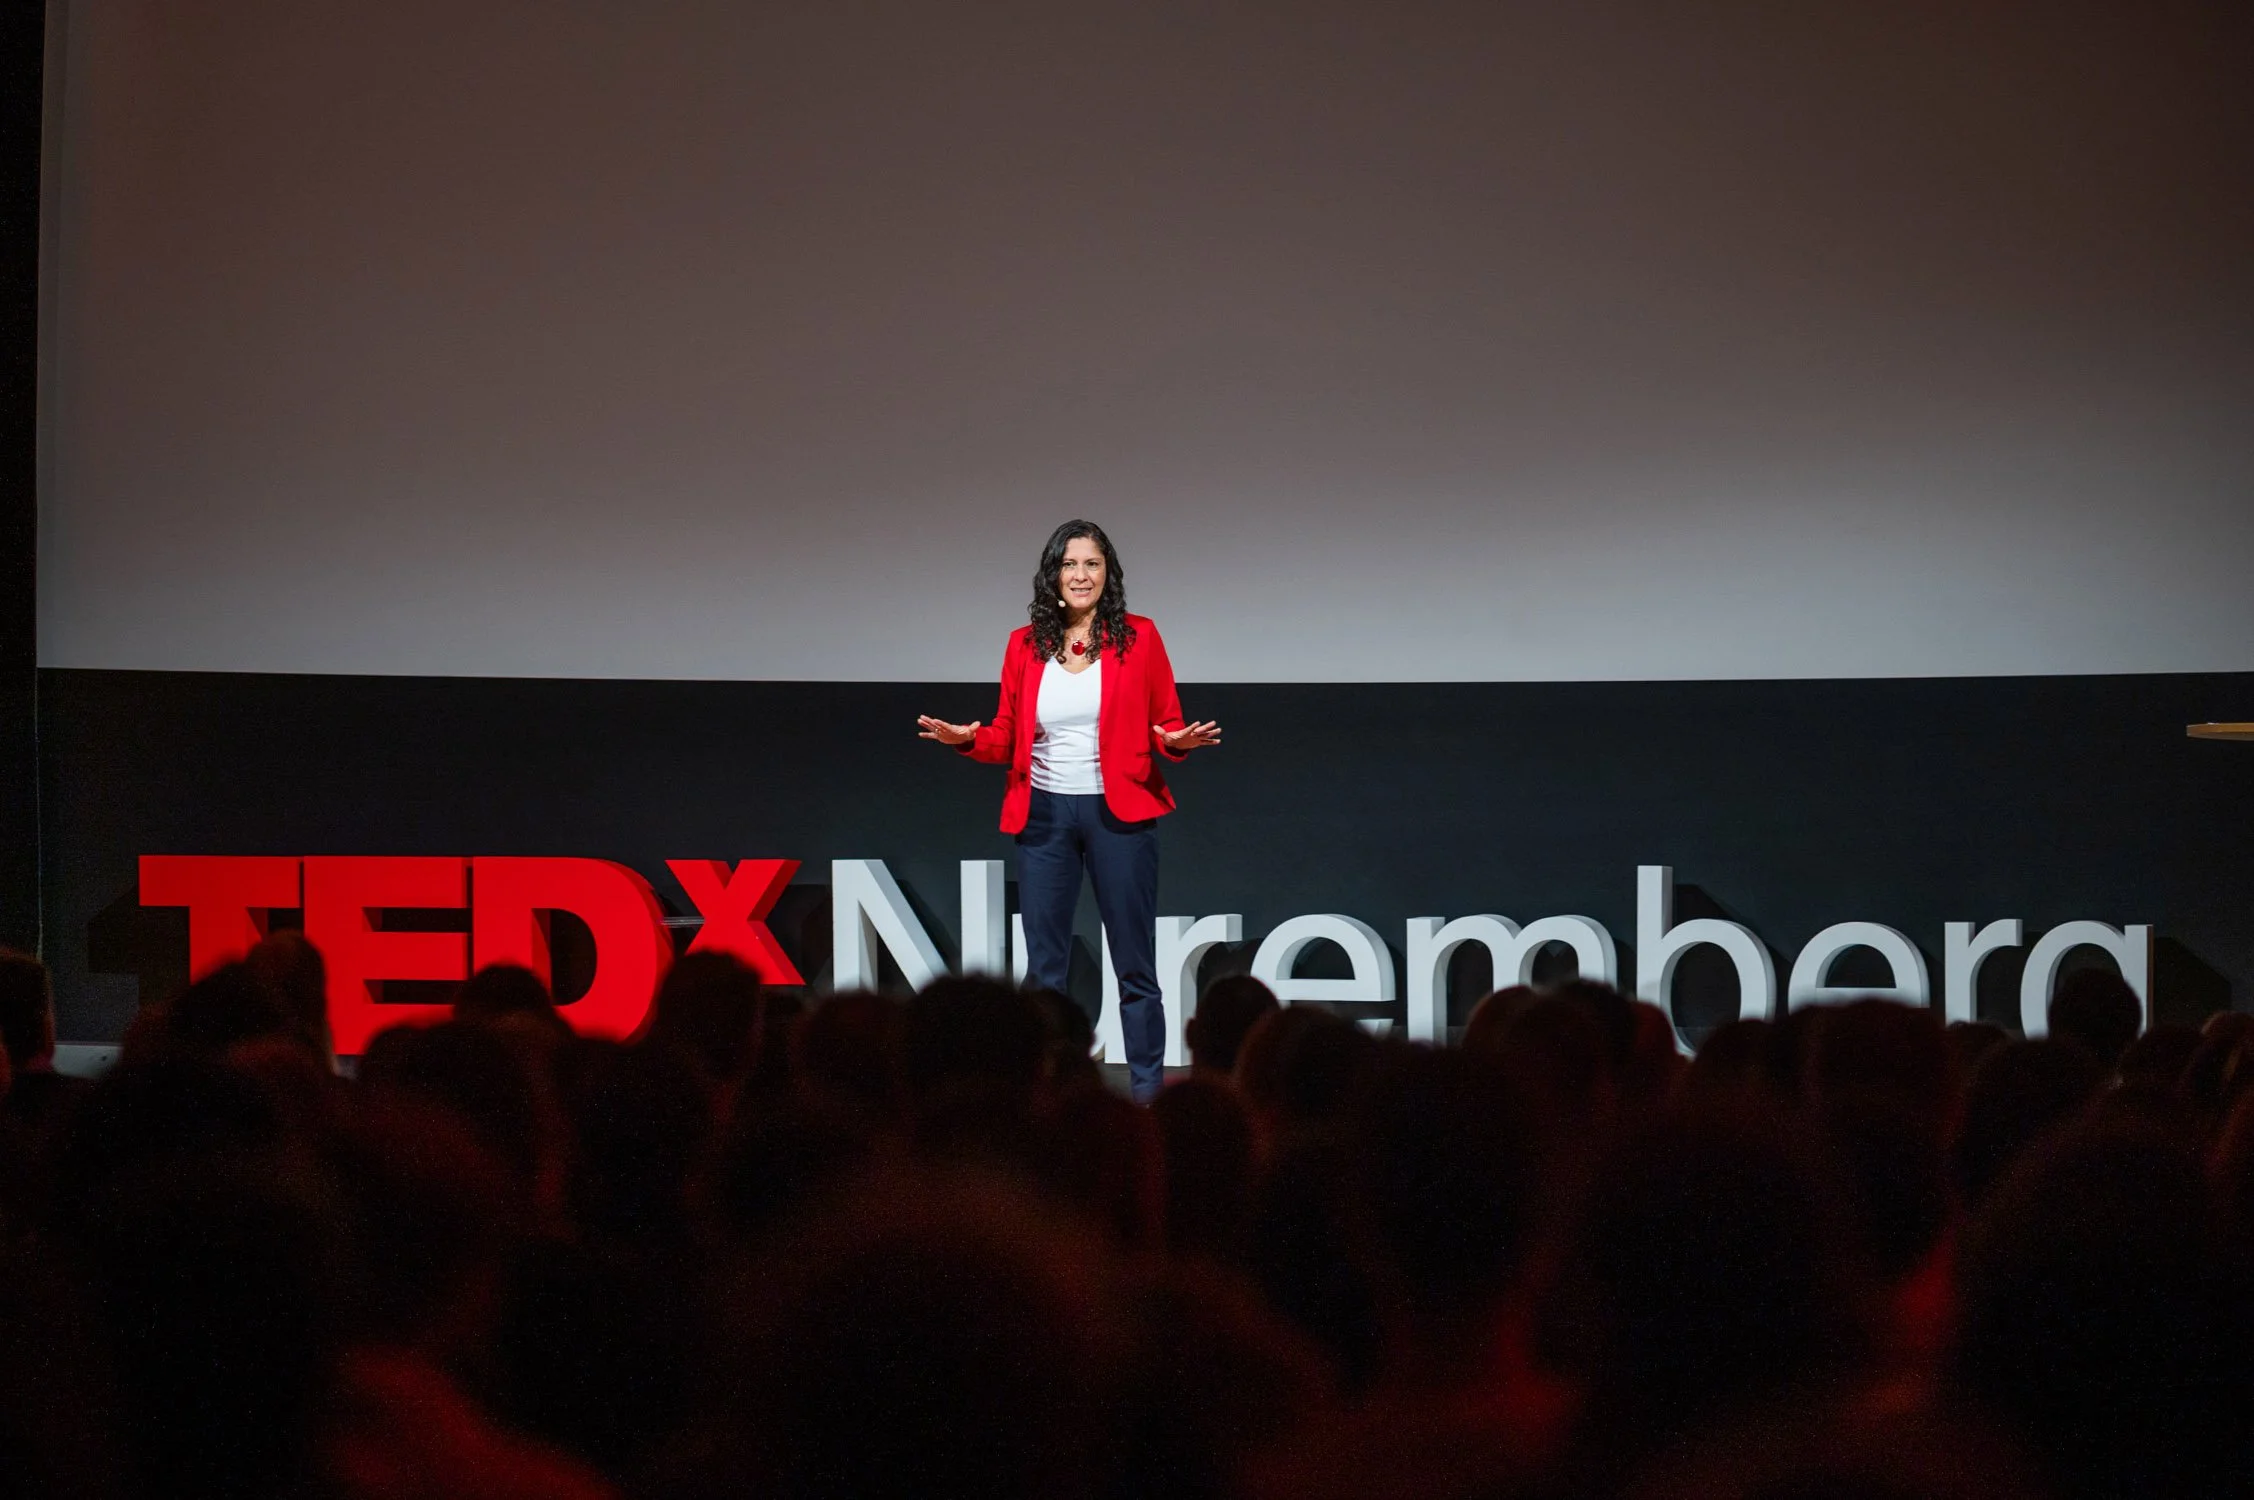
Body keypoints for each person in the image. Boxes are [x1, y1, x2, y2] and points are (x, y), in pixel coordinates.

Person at [917, 521, 1220, 1103]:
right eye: (1070, 564)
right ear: (1053, 574)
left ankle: (1147, 1093)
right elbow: (1006, 734)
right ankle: (1045, 1091)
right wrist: (966, 738)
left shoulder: (1141, 637)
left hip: (1119, 815)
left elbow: (1167, 723)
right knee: (1044, 969)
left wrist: (1177, 741)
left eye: (1092, 564)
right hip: (1044, 817)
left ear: (1109, 574)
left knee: (1134, 963)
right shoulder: (1023, 644)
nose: (1081, 575)